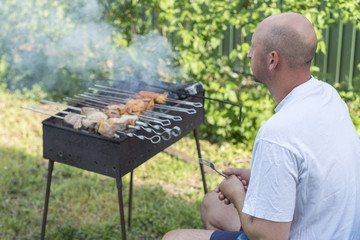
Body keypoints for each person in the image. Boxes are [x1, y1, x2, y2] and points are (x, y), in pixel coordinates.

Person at [162, 12, 360, 240]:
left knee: (173, 238)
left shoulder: (277, 134)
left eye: (253, 47)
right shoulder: (329, 96)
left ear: (272, 60)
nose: (248, 54)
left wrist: (237, 194)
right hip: (338, 228)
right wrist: (259, 177)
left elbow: (269, 237)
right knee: (212, 205)